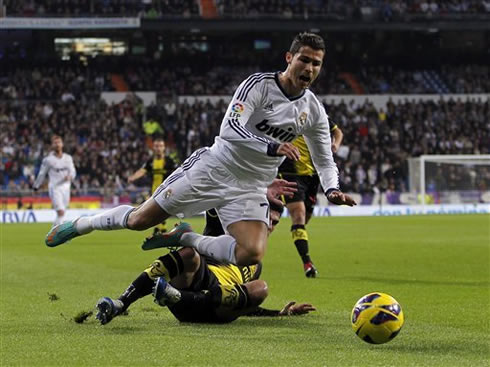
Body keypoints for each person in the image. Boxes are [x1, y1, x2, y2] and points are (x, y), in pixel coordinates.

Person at [46, 32, 356, 269]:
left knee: (251, 253)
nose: (310, 67)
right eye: (304, 59)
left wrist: (332, 189)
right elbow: (229, 129)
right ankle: (79, 225)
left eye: (316, 63)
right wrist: (272, 145)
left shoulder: (313, 110)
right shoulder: (258, 86)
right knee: (140, 220)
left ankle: (185, 237)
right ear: (289, 57)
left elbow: (324, 158)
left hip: (253, 186)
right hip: (215, 167)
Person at [95, 201, 316, 325]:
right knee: (190, 253)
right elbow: (217, 200)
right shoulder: (222, 229)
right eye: (267, 219)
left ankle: (178, 296)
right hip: (194, 286)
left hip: (215, 311)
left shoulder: (255, 264)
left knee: (261, 287)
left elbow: (245, 304)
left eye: (275, 223)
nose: (269, 226)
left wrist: (278, 313)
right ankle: (121, 303)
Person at [278, 123, 343, 278]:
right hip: (290, 173)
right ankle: (307, 262)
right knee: (299, 215)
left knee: (303, 221)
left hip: (313, 176)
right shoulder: (288, 113)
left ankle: (289, 227)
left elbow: (337, 131)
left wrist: (335, 144)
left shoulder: (318, 114)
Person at [127, 135, 178, 233]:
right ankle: (160, 229)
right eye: (156, 146)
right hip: (154, 190)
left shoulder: (169, 161)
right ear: (153, 148)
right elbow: (142, 171)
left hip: (167, 190)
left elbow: (178, 171)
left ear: (164, 148)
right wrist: (133, 177)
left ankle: (160, 229)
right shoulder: (150, 162)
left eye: (160, 146)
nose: (158, 148)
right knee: (156, 211)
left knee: (161, 210)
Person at [33, 135, 76, 227]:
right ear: (52, 145)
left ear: (62, 144)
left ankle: (52, 234)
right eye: (55, 143)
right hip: (55, 188)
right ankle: (61, 236)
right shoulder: (48, 160)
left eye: (59, 142)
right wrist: (36, 186)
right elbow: (41, 174)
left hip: (66, 188)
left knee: (62, 213)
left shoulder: (68, 158)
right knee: (61, 212)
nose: (57, 144)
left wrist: (70, 176)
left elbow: (73, 171)